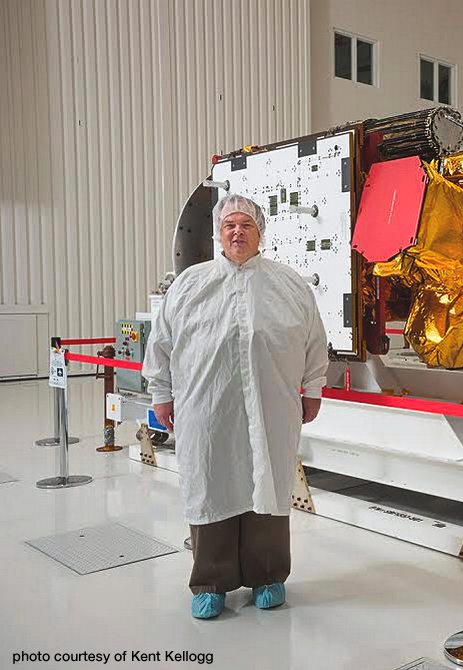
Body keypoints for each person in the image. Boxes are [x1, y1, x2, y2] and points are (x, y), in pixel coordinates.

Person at [143, 194, 329, 619]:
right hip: (207, 410)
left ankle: (268, 576)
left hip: (272, 408)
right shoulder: (190, 284)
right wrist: (161, 393)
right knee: (212, 482)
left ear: (260, 231)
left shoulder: (288, 284)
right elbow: (163, 344)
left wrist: (313, 387)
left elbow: (314, 342)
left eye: (247, 224)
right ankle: (210, 582)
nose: (238, 232)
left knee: (268, 484)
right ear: (219, 233)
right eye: (230, 226)